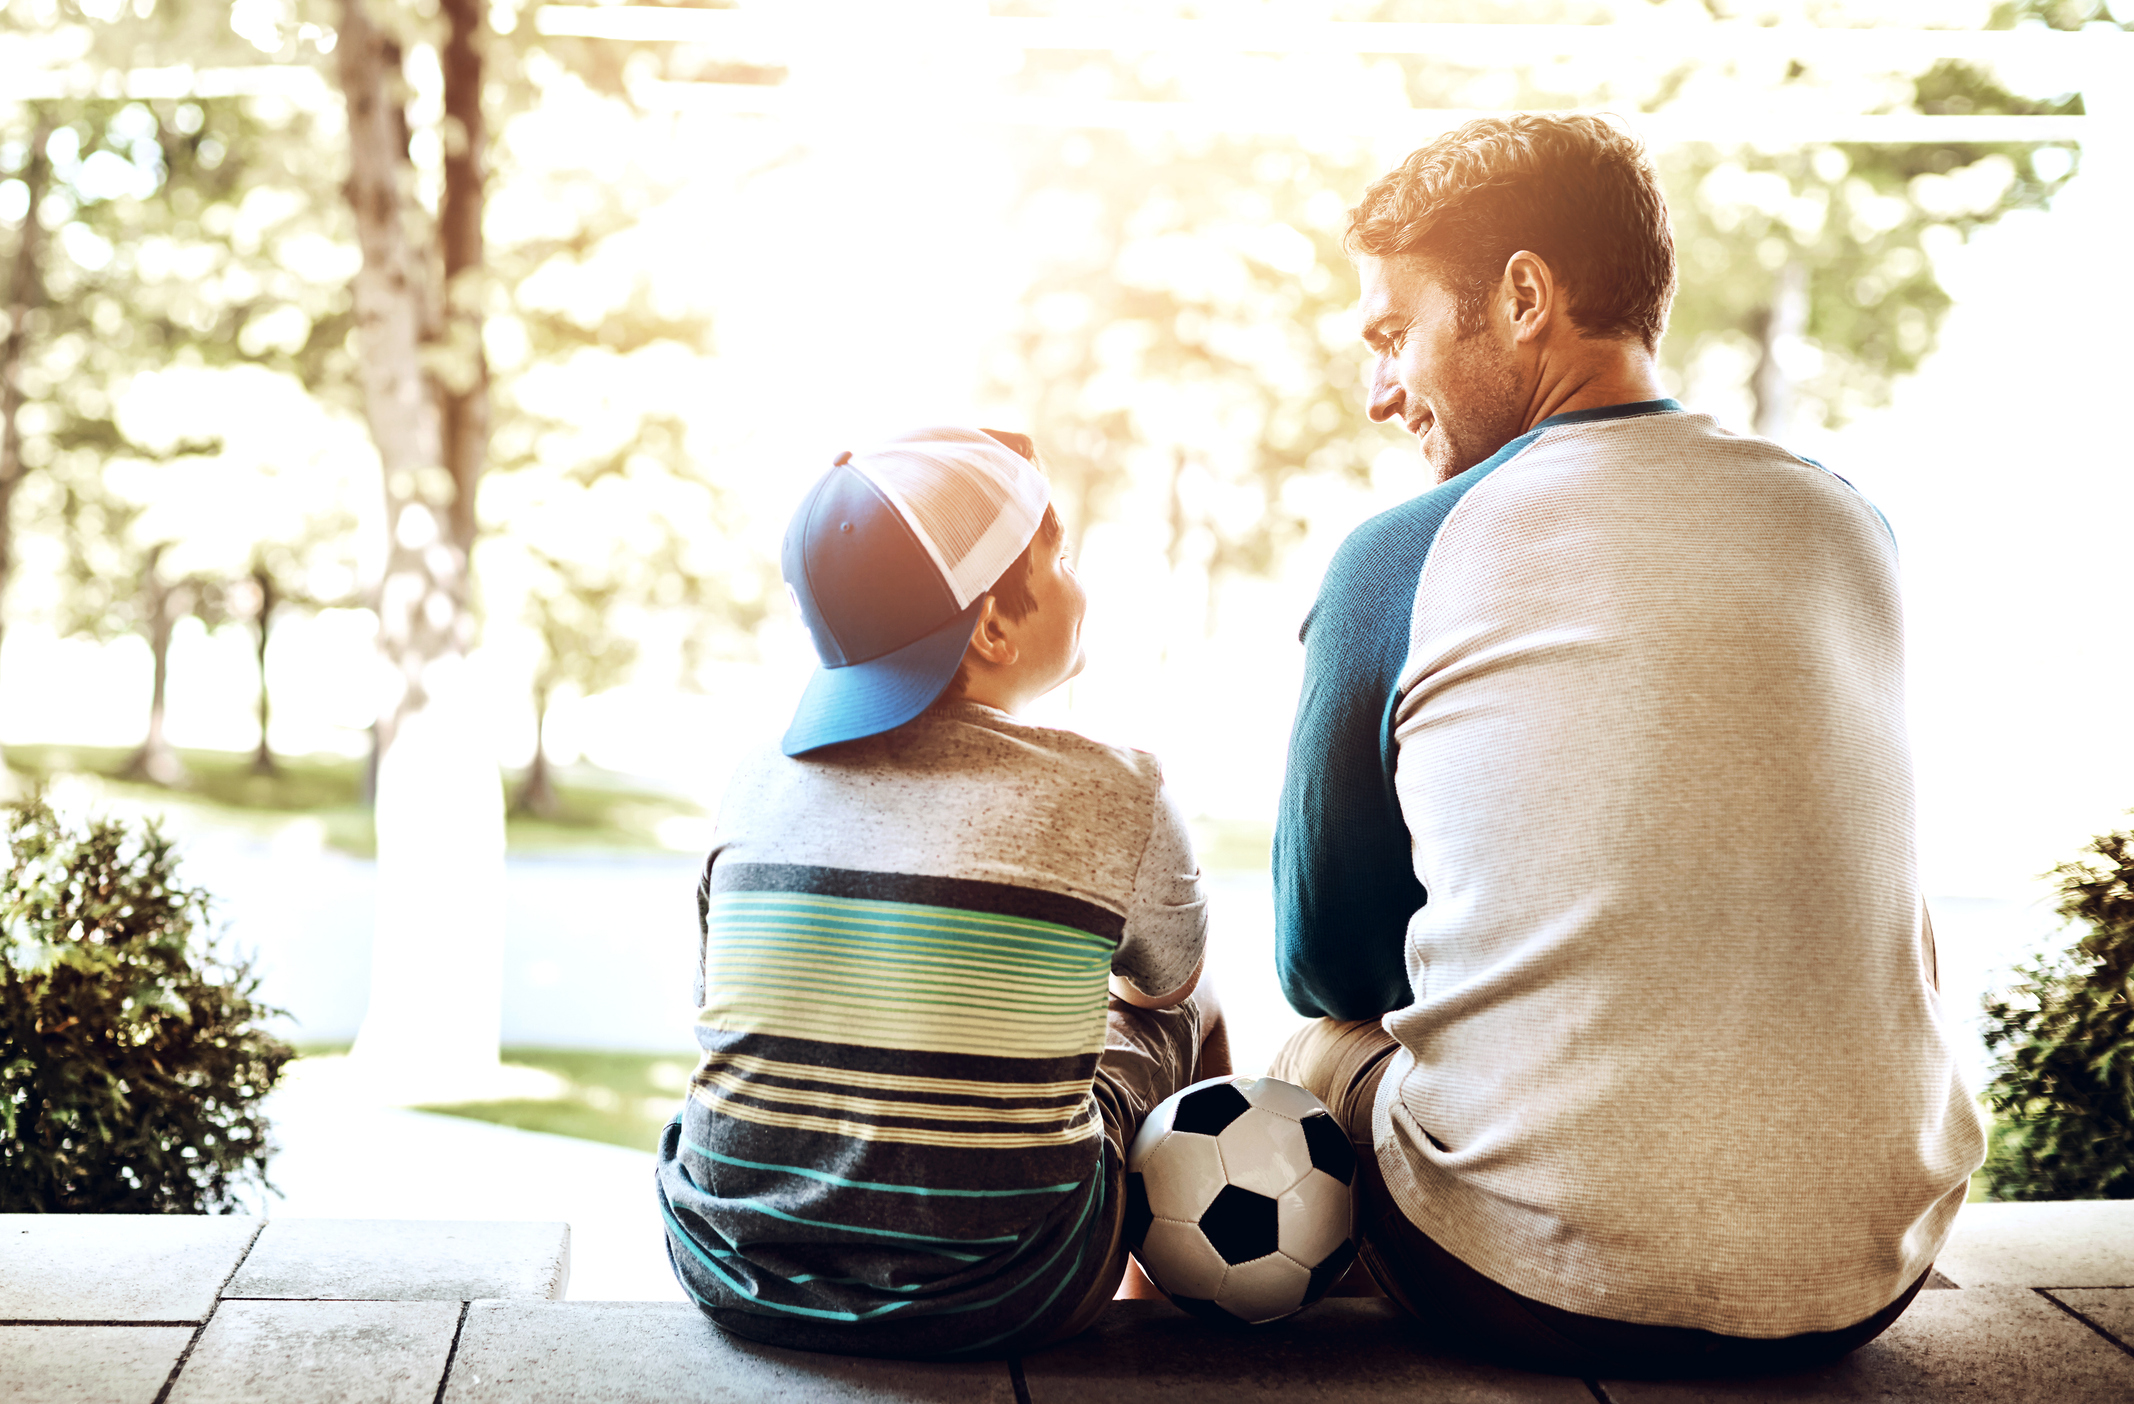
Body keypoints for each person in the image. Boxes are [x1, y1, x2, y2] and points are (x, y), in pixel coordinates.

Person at [1267, 114, 1985, 1377]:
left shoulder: (1403, 556)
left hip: (1528, 1285)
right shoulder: (1844, 523)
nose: (1380, 393)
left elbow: (1329, 965)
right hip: (1869, 1273)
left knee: (1308, 1057)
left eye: (1393, 335)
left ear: (1524, 296)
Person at [655, 426, 1228, 1358]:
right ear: (993, 624)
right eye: (1063, 556)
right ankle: (1158, 1296)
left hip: (729, 1268)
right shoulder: (1119, 790)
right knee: (1192, 1003)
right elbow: (1161, 984)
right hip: (1014, 1292)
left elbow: (729, 1014)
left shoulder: (752, 782)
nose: (1081, 581)